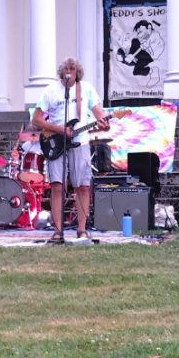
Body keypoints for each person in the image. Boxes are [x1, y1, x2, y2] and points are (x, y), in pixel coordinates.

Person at [33, 57, 109, 241]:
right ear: (61, 72)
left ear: (77, 72)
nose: (69, 71)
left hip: (80, 142)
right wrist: (60, 130)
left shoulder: (87, 88)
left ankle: (81, 230)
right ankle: (58, 231)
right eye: (66, 68)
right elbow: (36, 120)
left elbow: (101, 116)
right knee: (57, 186)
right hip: (55, 142)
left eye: (72, 68)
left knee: (82, 186)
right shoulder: (50, 91)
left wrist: (104, 124)